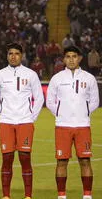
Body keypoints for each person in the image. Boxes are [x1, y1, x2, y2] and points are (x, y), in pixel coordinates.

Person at [0, 43, 44, 199]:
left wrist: (31, 117)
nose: (13, 56)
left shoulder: (30, 74)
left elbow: (39, 98)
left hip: (25, 122)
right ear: (7, 56)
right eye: (10, 53)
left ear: (22, 55)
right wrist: (2, 114)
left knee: (25, 157)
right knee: (7, 158)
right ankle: (6, 195)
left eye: (16, 53)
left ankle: (28, 195)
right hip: (6, 122)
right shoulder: (0, 75)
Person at [46, 46, 99, 199]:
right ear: (63, 59)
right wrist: (61, 113)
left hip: (83, 126)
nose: (71, 59)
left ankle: (87, 195)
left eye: (74, 56)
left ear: (79, 58)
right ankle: (61, 196)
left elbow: (95, 100)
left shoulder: (89, 78)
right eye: (68, 56)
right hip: (62, 126)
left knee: (85, 160)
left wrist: (84, 112)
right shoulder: (57, 78)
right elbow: (50, 101)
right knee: (61, 161)